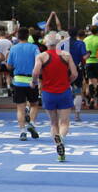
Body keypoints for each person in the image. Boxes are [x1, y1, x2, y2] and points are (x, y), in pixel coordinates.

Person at [32, 34, 79, 162]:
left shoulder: (41, 56)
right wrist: (68, 81)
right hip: (64, 90)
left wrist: (34, 82)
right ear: (58, 42)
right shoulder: (66, 55)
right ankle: (61, 139)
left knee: (53, 122)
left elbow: (36, 72)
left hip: (48, 92)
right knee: (64, 121)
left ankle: (58, 145)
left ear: (45, 43)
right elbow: (75, 73)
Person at [7, 27, 41, 141]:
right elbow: (39, 62)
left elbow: (9, 65)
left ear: (17, 36)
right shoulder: (34, 48)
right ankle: (31, 123)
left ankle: (22, 132)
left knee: (20, 108)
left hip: (18, 81)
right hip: (32, 80)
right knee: (34, 104)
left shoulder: (13, 48)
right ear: (28, 36)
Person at [82, 25, 98, 109]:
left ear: (90, 31)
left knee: (91, 82)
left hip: (88, 62)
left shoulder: (85, 39)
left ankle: (91, 99)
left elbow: (83, 51)